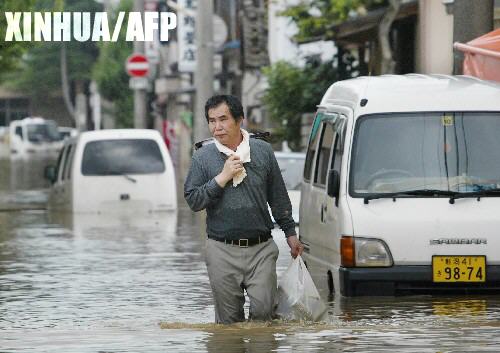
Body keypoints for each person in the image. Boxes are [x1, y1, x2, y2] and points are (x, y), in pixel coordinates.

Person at [184, 94, 304, 324]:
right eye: (211, 121)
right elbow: (193, 200)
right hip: (221, 248)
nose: (217, 127)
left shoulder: (263, 151)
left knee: (264, 314)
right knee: (229, 324)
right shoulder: (203, 157)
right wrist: (222, 178)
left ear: (239, 120)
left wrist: (290, 234)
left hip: (261, 248)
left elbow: (277, 196)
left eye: (223, 119)